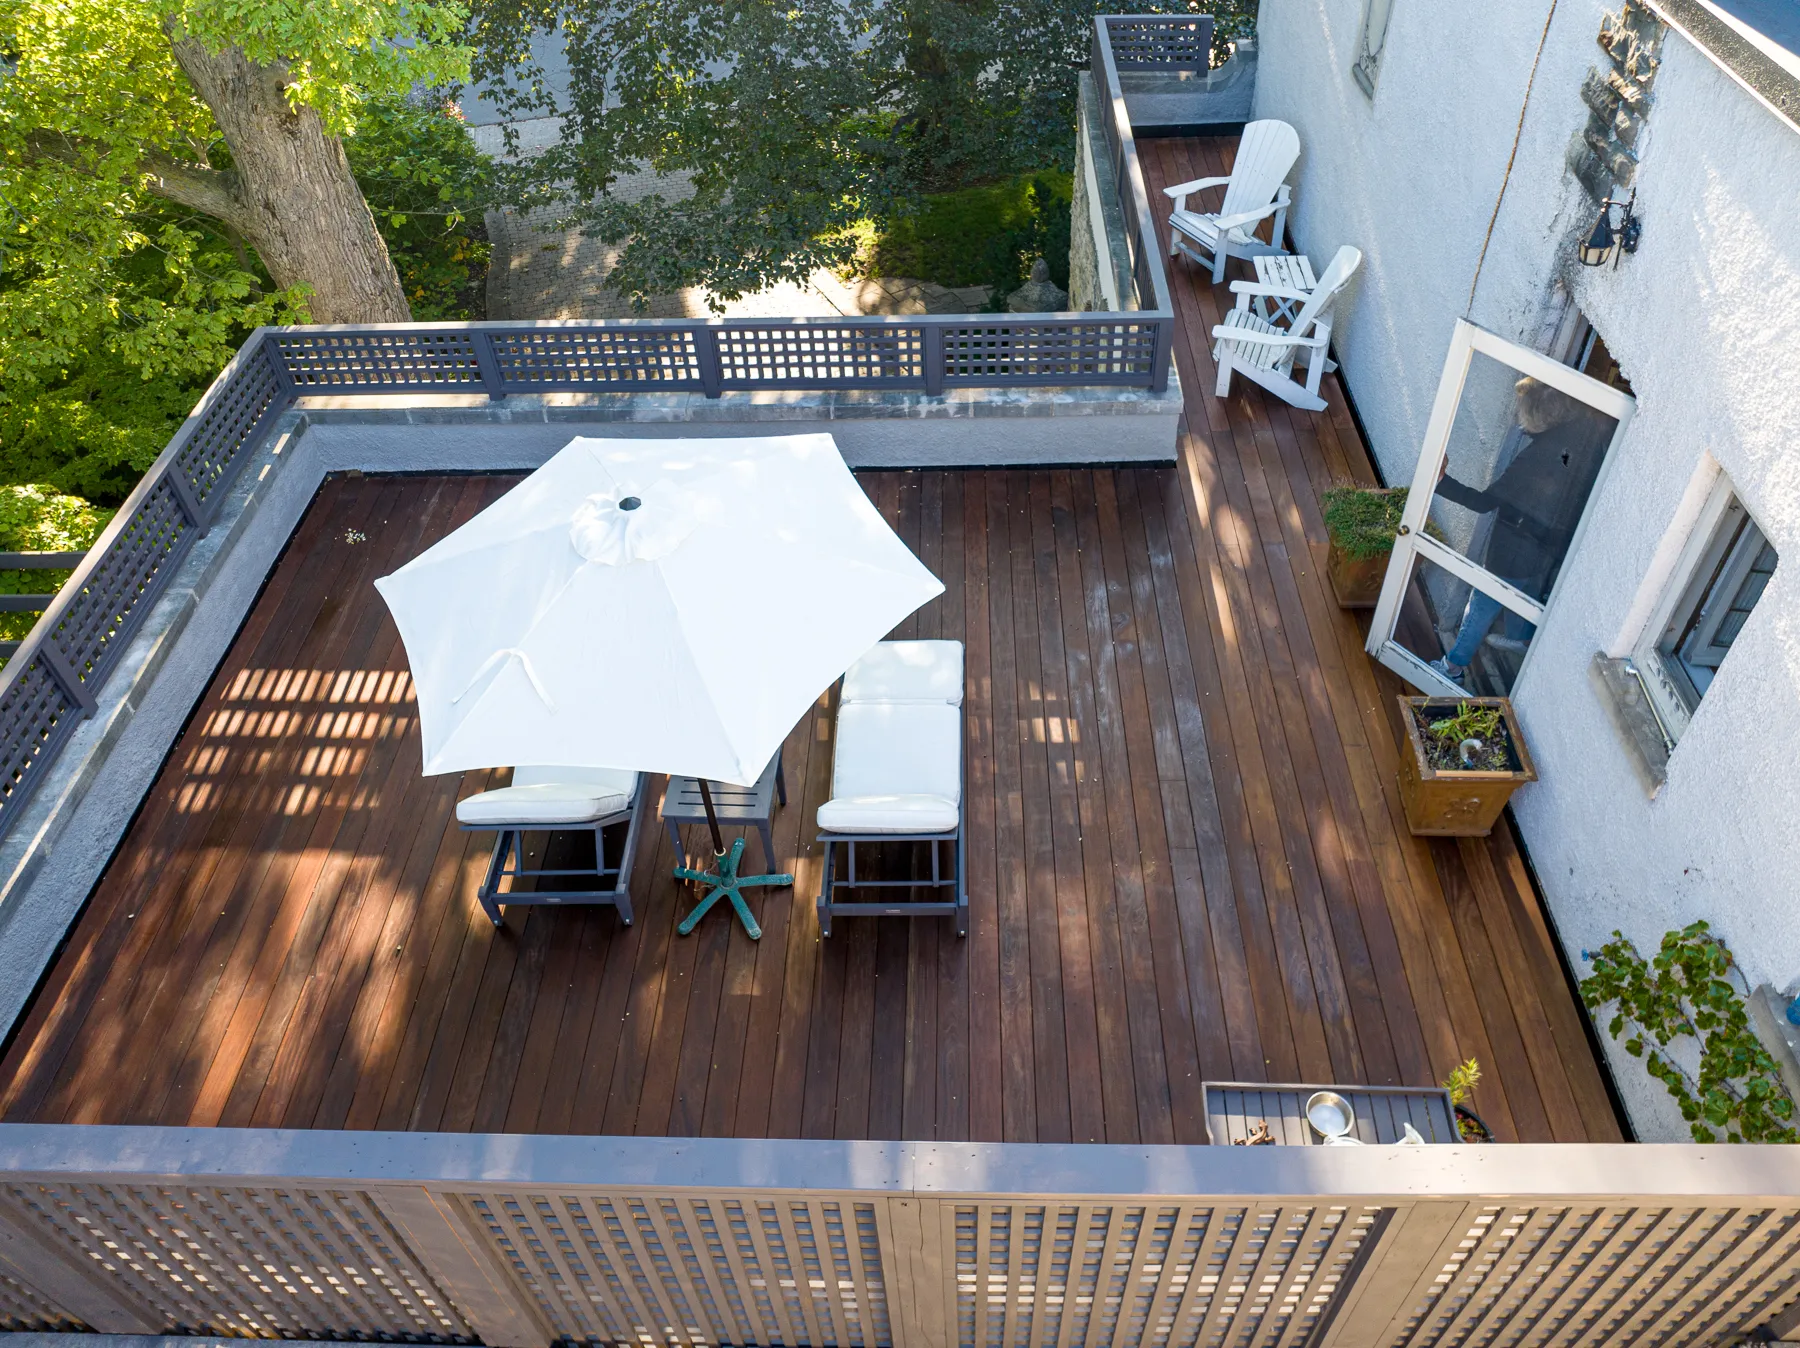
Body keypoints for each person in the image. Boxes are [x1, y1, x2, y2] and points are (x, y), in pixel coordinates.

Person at [1429, 377, 1613, 683]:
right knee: (1527, 593)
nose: (1517, 415)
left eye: (1521, 409)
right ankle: (1520, 640)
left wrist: (1440, 481)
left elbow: (1484, 502)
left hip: (1516, 548)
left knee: (1482, 604)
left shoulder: (1537, 457)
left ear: (1537, 414)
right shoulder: (1582, 440)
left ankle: (1453, 668)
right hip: (1549, 548)